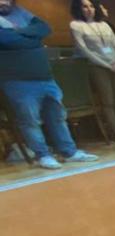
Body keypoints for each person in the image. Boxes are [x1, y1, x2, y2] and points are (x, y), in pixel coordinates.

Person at [0, 0, 99, 170]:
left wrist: (19, 33)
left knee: (57, 116)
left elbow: (44, 28)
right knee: (29, 120)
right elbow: (7, 39)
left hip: (45, 77)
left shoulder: (21, 12)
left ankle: (69, 152)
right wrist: (33, 38)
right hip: (17, 81)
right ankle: (43, 155)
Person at [68, 0, 115, 143]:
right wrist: (107, 65)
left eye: (91, 6)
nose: (89, 9)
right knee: (108, 101)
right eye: (85, 6)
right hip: (97, 66)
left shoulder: (105, 25)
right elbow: (84, 50)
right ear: (78, 9)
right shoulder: (76, 26)